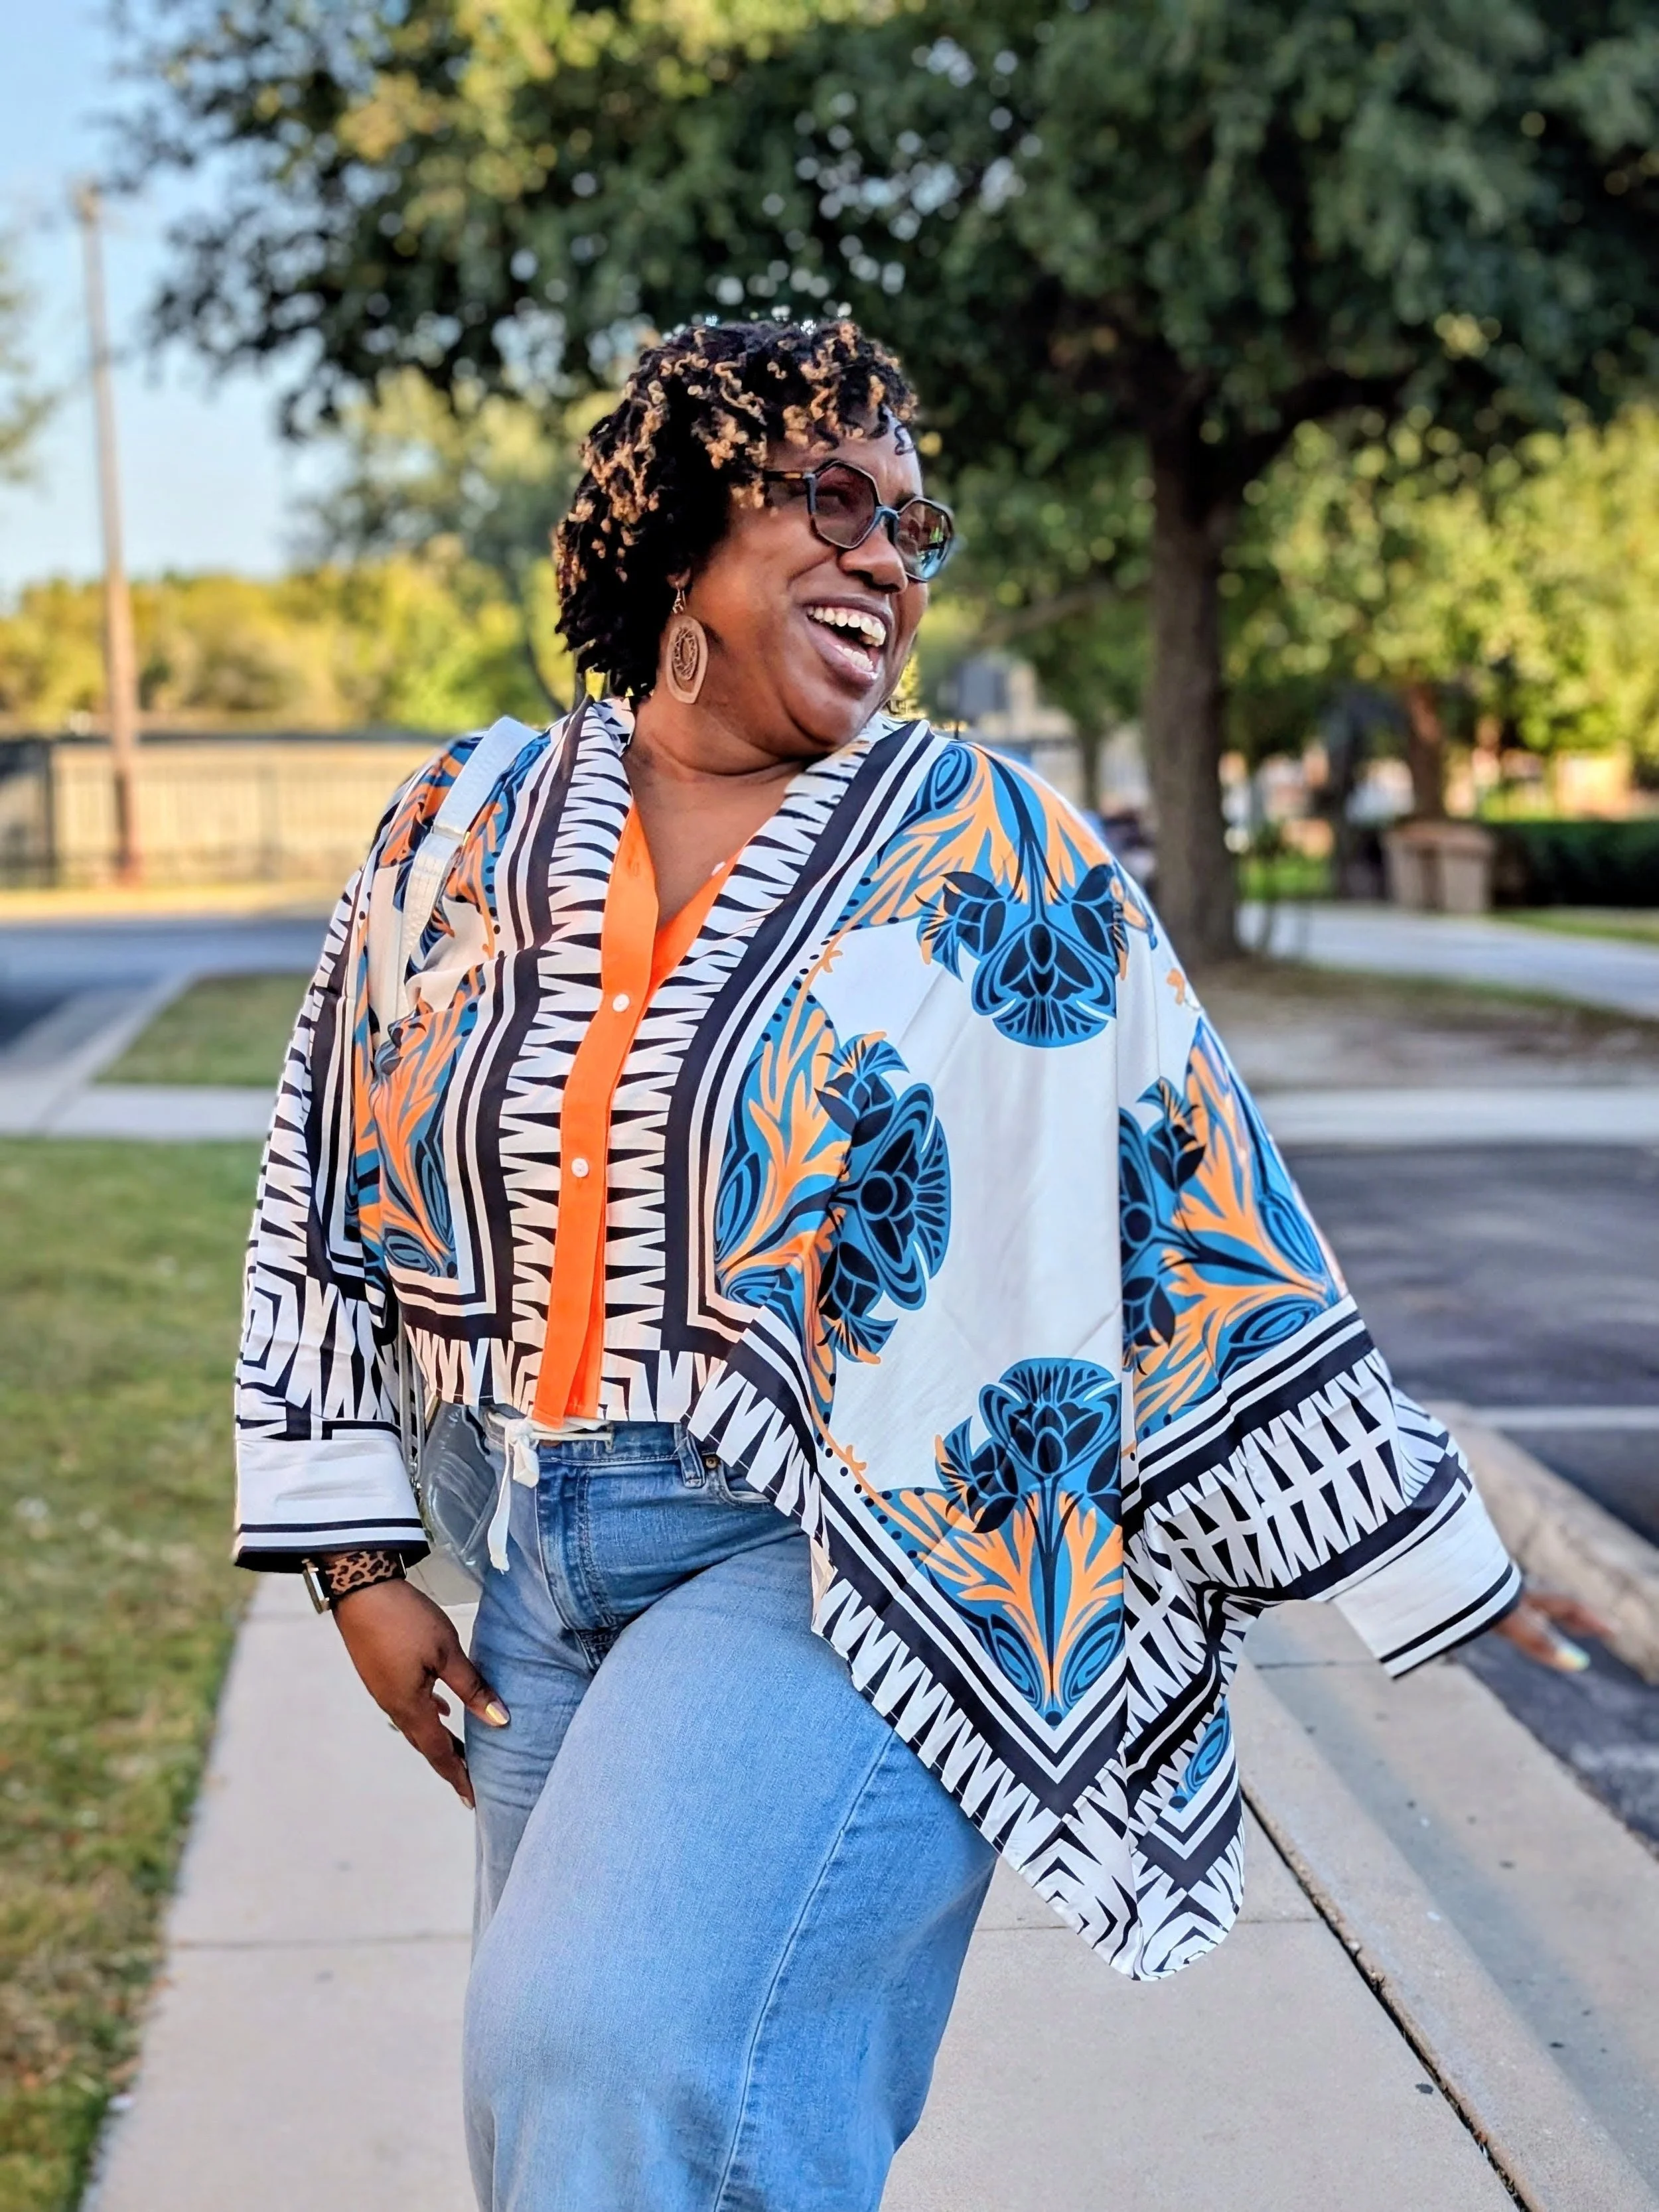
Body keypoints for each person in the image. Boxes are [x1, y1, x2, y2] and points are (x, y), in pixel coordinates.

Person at [232, 319, 1520, 2212]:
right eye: (830, 496)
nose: (886, 559)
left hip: (848, 1558)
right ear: (681, 521)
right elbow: (327, 1170)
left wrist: (1400, 1529)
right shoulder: (462, 824)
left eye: (914, 528)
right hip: (530, 1557)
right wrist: (357, 1554)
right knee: (572, 2134)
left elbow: (1180, 1183)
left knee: (613, 2055)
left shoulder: (978, 842)